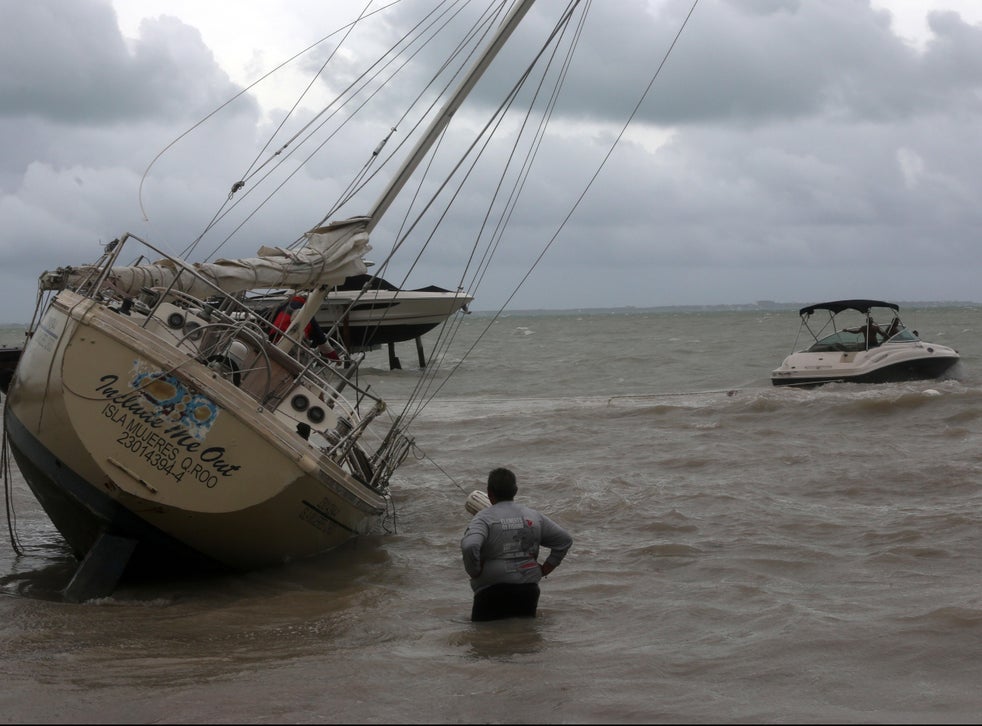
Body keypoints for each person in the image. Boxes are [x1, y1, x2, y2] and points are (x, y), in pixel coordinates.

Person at [460, 467, 573, 622]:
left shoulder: (483, 518)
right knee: (525, 638)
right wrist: (545, 568)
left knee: (486, 640)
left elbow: (470, 546)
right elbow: (564, 540)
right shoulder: (533, 516)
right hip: (528, 591)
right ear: (515, 490)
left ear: (489, 492)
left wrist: (475, 571)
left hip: (491, 592)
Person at [269, 294, 339, 360]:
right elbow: (320, 338)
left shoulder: (283, 306)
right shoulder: (307, 311)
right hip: (293, 345)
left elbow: (271, 319)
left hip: (275, 340)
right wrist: (334, 357)